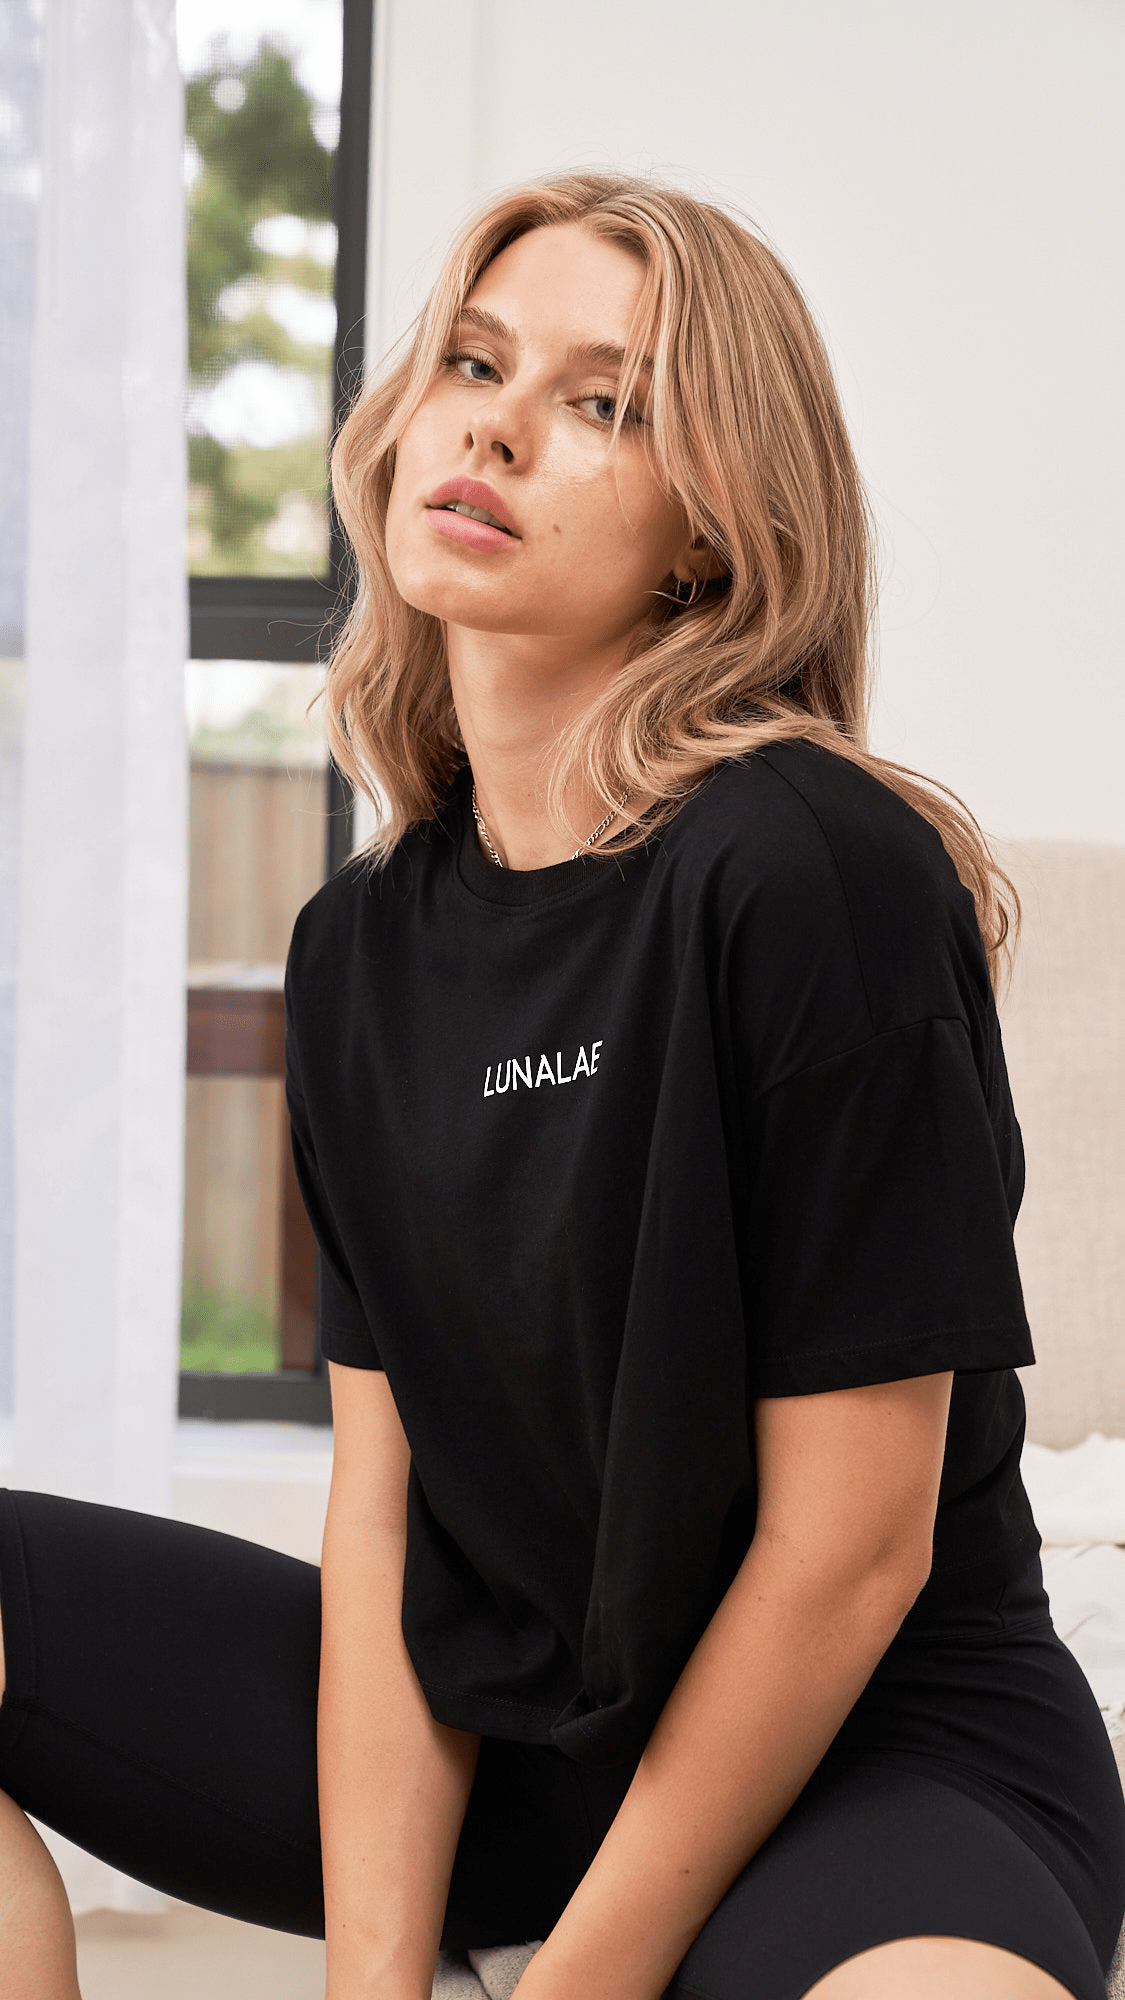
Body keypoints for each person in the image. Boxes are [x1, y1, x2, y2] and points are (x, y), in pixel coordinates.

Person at [0, 170, 1122, 2000]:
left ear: (710, 537)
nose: (496, 427)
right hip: (522, 1742)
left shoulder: (811, 872)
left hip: (870, 1750)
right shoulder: (359, 953)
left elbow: (853, 1553)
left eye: (603, 402)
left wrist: (577, 1985)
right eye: (472, 361)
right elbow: (387, 1523)